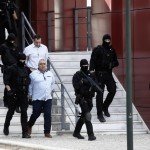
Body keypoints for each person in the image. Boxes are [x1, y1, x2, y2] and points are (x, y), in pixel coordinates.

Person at [90, 34, 119, 122]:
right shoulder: (98, 49)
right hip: (99, 74)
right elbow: (92, 60)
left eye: (108, 40)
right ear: (103, 40)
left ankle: (105, 107)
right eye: (106, 40)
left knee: (113, 90)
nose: (107, 42)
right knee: (100, 94)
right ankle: (99, 114)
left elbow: (116, 62)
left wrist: (112, 64)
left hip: (108, 74)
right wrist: (92, 72)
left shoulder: (112, 50)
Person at [3, 53, 31, 138]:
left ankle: (25, 132)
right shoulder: (12, 68)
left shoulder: (26, 69)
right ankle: (6, 126)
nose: (22, 61)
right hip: (14, 93)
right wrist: (10, 91)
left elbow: (31, 79)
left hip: (23, 94)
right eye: (21, 60)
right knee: (10, 112)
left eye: (24, 60)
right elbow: (6, 81)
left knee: (24, 113)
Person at [27, 59, 55, 138]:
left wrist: (49, 91)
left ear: (46, 65)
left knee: (47, 114)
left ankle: (47, 132)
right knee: (36, 113)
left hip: (47, 98)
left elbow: (53, 84)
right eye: (41, 64)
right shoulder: (33, 74)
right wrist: (30, 95)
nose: (43, 65)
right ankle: (29, 125)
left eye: (44, 64)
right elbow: (30, 86)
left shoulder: (50, 74)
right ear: (38, 65)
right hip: (37, 98)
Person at [72, 59, 96, 141]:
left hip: (90, 98)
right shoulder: (77, 75)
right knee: (87, 115)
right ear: (81, 66)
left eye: (87, 65)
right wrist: (82, 81)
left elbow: (95, 85)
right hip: (82, 98)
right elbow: (76, 87)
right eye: (84, 66)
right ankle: (91, 135)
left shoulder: (91, 75)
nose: (86, 67)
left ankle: (76, 132)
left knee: (83, 116)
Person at [0, 33, 19, 107]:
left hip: (14, 67)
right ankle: (6, 101)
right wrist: (1, 65)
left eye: (13, 40)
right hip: (6, 67)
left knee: (14, 84)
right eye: (11, 40)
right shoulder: (3, 46)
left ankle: (12, 101)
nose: (12, 41)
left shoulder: (15, 46)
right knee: (7, 84)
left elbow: (17, 56)